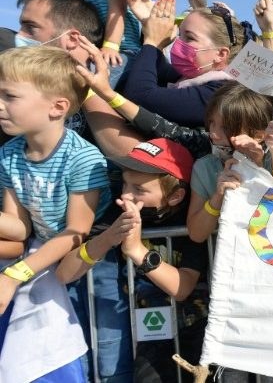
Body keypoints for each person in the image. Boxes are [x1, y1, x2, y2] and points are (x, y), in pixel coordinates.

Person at [56, 138, 209, 382]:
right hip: (147, 328)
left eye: (140, 189)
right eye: (125, 183)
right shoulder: (118, 214)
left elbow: (182, 288)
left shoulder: (190, 220)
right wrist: (107, 238)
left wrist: (137, 250)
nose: (126, 195)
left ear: (176, 196)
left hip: (194, 326)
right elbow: (64, 273)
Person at [0, 46, 111, 382]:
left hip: (93, 264)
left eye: (9, 96)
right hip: (40, 262)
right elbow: (19, 228)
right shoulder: (9, 153)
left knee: (102, 354)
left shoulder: (83, 159)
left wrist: (13, 275)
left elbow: (76, 231)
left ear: (58, 107)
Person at [15, 0, 142, 158]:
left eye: (30, 28)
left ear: (73, 39)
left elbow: (138, 158)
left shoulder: (123, 73)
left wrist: (85, 88)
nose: (20, 36)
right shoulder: (25, 77)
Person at [121, 0, 246, 128]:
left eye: (190, 38)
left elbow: (138, 95)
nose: (178, 42)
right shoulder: (189, 77)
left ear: (221, 54)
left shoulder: (219, 94)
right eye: (180, 35)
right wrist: (150, 25)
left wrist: (152, 41)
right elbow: (155, 69)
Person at [187, 82, 273, 244]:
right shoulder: (205, 167)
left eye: (225, 127)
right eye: (212, 122)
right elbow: (196, 234)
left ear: (258, 134)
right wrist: (218, 197)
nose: (213, 133)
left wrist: (272, 161)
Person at [74, 0, 142, 87]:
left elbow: (118, 7)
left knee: (88, 83)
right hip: (97, 51)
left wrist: (111, 45)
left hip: (122, 50)